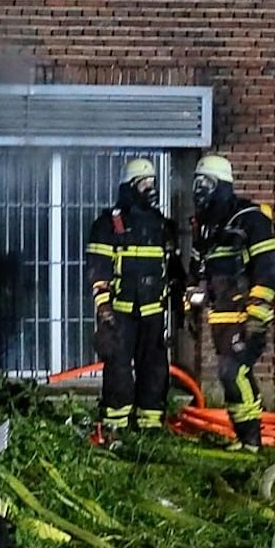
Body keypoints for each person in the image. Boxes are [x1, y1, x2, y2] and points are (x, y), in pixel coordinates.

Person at [188, 153, 275, 452]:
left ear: (222, 185)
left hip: (246, 314)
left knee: (234, 371)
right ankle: (245, 438)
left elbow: (268, 268)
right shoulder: (206, 228)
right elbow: (197, 272)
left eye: (207, 182)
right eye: (197, 182)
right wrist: (191, 307)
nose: (200, 188)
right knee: (231, 375)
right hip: (221, 316)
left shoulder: (250, 219)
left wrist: (257, 312)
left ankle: (251, 440)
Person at [85, 157, 174, 439]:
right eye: (143, 183)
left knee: (155, 365)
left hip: (153, 311)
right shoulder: (108, 224)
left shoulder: (161, 225)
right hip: (120, 312)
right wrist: (104, 309)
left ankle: (150, 421)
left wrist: (183, 302)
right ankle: (116, 422)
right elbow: (98, 268)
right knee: (119, 366)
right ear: (130, 186)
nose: (150, 188)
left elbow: (173, 268)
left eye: (153, 182)